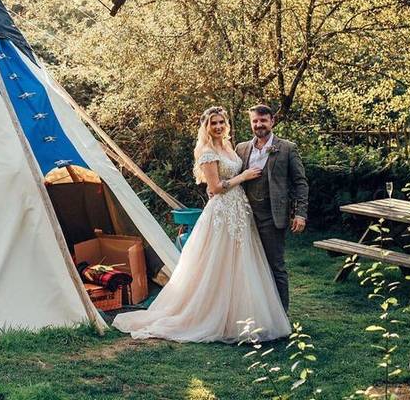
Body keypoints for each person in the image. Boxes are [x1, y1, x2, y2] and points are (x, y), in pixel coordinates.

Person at [112, 106, 291, 343]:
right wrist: (243, 177)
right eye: (213, 124)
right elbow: (215, 187)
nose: (217, 127)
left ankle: (242, 315)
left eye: (220, 123)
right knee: (219, 264)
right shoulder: (206, 151)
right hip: (222, 212)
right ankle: (212, 315)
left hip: (240, 211)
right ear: (206, 127)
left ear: (226, 124)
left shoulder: (231, 147)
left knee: (242, 264)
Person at [234, 104, 309, 312]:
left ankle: (281, 314)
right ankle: (256, 312)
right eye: (255, 121)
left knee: (275, 266)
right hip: (245, 216)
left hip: (272, 216)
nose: (259, 125)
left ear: (272, 121)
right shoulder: (241, 148)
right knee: (249, 265)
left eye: (263, 120)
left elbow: (300, 183)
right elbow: (232, 178)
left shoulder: (287, 148)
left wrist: (300, 213)